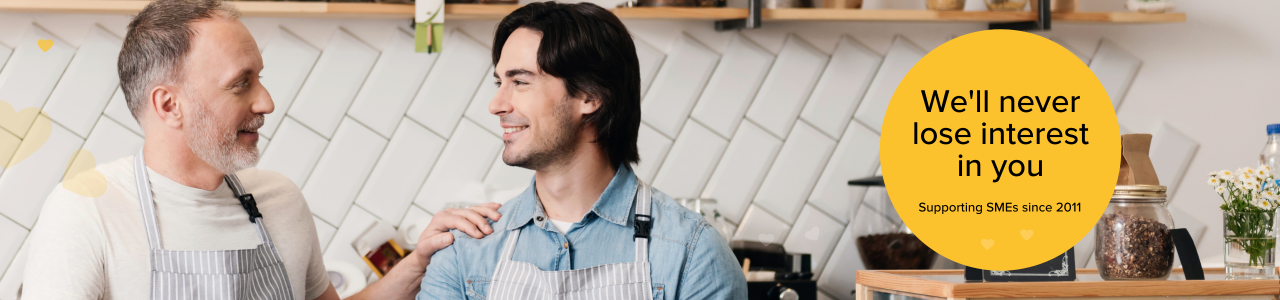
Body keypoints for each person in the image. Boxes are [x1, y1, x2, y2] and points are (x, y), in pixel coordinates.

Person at [20, 0, 499, 299]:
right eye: (240, 84)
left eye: (260, 77)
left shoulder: (279, 198)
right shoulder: (87, 212)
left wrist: (417, 263)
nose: (266, 101)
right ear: (169, 105)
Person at [417, 2, 748, 299]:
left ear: (589, 96)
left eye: (520, 82)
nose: (496, 104)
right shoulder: (467, 249)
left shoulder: (692, 252)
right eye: (499, 83)